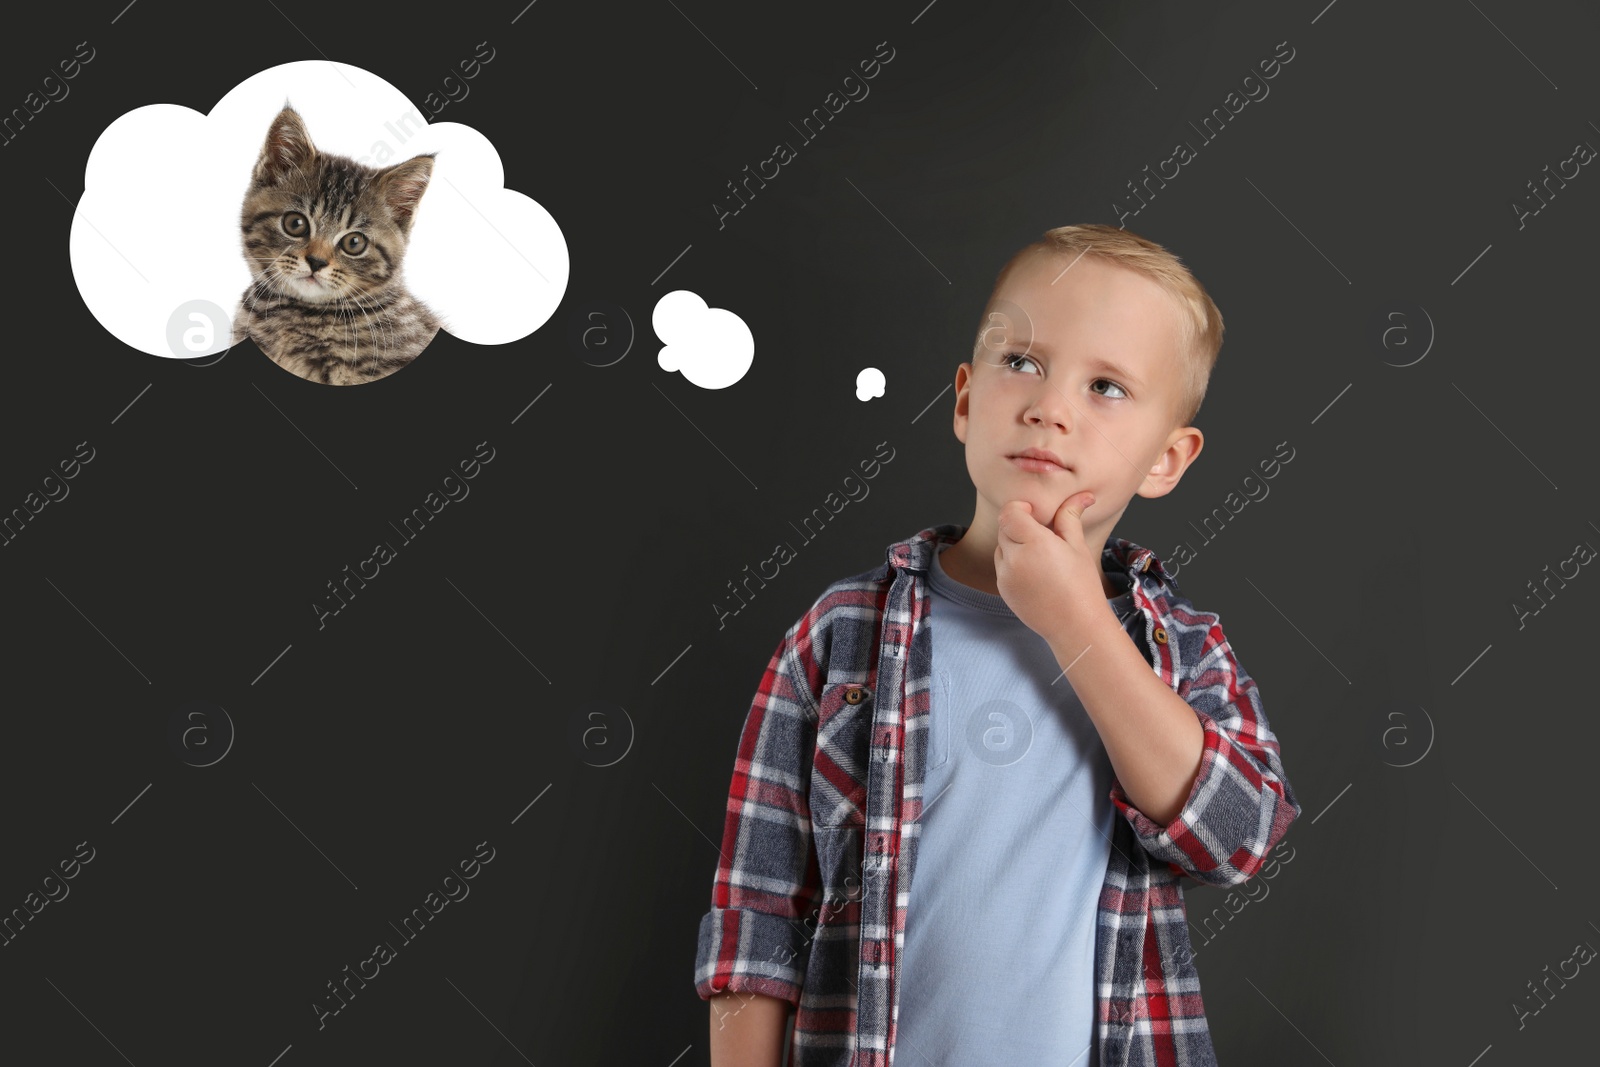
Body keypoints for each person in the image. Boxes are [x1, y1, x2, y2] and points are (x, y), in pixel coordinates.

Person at [694, 224, 1300, 1067]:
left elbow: (1238, 836)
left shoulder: (1180, 648)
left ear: (1166, 459)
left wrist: (1075, 619)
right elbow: (758, 919)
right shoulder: (840, 634)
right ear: (968, 400)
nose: (1051, 405)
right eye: (1023, 362)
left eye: (1107, 387)